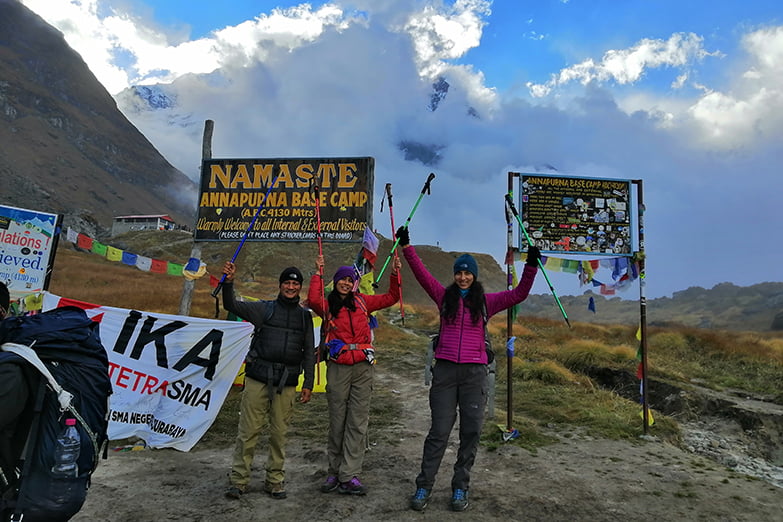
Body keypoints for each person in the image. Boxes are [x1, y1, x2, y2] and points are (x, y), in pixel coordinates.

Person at [396, 226, 540, 512]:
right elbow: (423, 275)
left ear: (474, 275)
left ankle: (460, 488)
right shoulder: (443, 297)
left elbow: (520, 294)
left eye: (468, 273)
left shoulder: (487, 302)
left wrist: (532, 264)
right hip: (446, 373)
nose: (463, 277)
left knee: (471, 433)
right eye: (459, 272)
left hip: (475, 375)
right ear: (454, 275)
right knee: (439, 432)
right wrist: (407, 247)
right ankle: (424, 486)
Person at [308, 255, 402, 496]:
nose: (346, 284)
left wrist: (394, 273)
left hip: (363, 368)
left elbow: (392, 297)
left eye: (350, 280)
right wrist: (318, 273)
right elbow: (312, 299)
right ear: (336, 282)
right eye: (342, 280)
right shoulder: (327, 305)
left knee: (357, 422)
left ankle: (349, 475)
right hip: (338, 367)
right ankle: (334, 471)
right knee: (337, 420)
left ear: (354, 284)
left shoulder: (363, 302)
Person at [222, 263, 315, 501]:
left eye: (295, 284)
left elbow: (308, 353)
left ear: (300, 288)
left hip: (288, 382)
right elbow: (231, 305)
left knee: (279, 434)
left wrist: (308, 383)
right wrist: (229, 282)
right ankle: (239, 480)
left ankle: (275, 480)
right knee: (248, 432)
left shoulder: (305, 317)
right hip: (257, 378)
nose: (291, 287)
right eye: (287, 283)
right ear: (280, 285)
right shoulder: (264, 309)